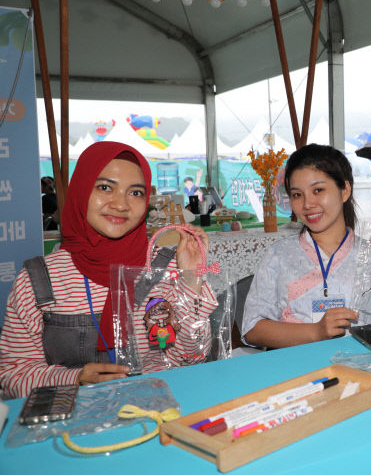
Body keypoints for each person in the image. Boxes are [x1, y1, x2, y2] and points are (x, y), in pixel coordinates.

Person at [0, 141, 218, 398]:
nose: (121, 204)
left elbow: (191, 358)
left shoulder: (166, 269)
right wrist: (73, 378)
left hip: (154, 409)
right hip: (71, 425)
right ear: (81, 191)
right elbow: (13, 373)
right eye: (105, 187)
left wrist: (190, 279)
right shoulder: (39, 279)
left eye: (135, 192)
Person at [242, 144, 371, 349]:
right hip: (296, 372)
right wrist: (316, 331)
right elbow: (252, 328)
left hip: (358, 368)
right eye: (297, 194)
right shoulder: (279, 255)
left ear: (345, 190)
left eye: (318, 190)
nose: (307, 204)